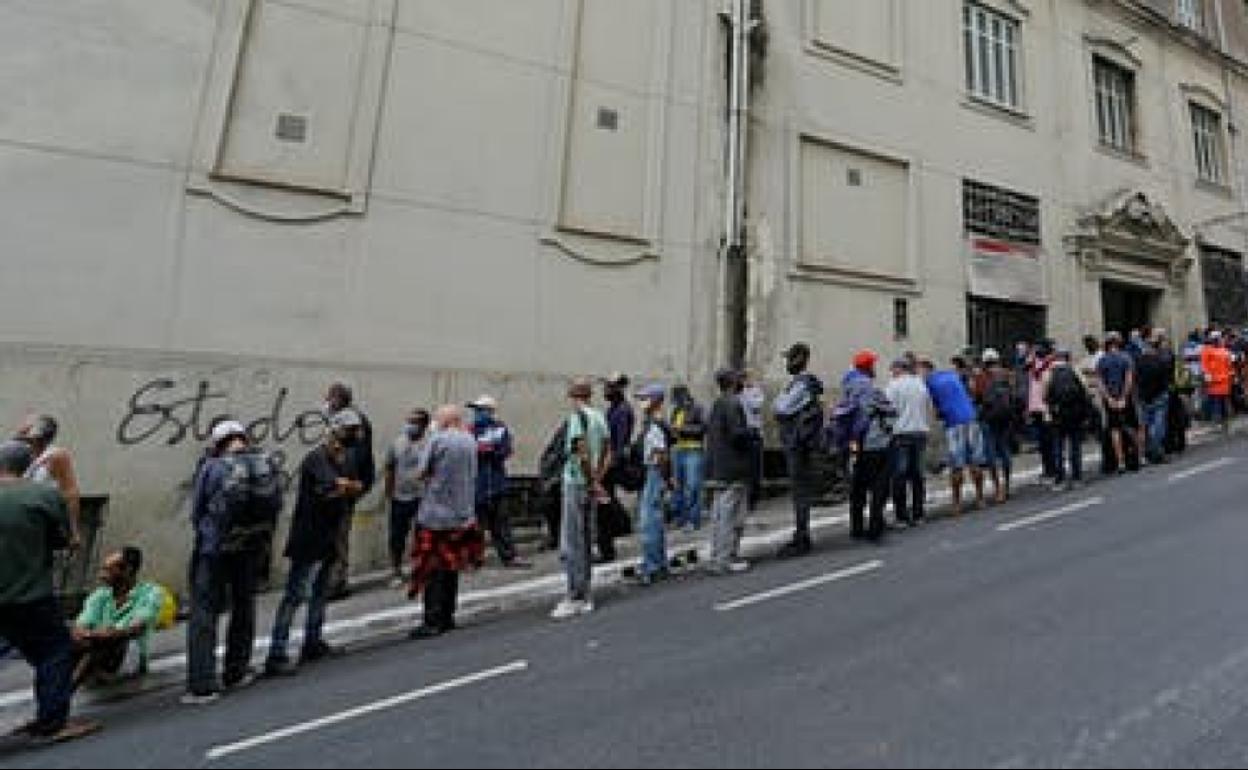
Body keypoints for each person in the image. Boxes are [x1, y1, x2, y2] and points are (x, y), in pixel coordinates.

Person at [0, 440, 97, 741]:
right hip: (30, 593)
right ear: (29, 467)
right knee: (54, 651)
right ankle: (52, 722)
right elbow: (64, 540)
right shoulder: (43, 495)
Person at [185, 420, 283, 703]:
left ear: (218, 443)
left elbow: (197, 511)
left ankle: (203, 683)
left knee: (204, 612)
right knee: (244, 605)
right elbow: (276, 505)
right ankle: (236, 671)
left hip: (215, 549)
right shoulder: (265, 463)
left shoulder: (213, 467)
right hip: (250, 546)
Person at [264, 411, 363, 677]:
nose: (356, 435)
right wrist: (344, 486)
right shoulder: (317, 458)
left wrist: (346, 486)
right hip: (309, 536)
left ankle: (313, 641)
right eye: (351, 430)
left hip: (329, 534)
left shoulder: (347, 459)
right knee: (295, 595)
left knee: (321, 592)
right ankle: (277, 652)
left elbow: (355, 485)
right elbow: (338, 484)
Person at [407, 406, 485, 639]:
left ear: (445, 421)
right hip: (462, 514)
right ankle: (448, 615)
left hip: (435, 514)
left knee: (432, 567)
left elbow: (421, 472)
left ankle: (432, 619)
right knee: (452, 567)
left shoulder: (438, 440)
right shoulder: (470, 440)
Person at [551, 378, 611, 620]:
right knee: (586, 539)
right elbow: (608, 450)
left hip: (577, 483)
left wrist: (590, 481)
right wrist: (598, 478)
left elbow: (580, 452)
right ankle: (584, 591)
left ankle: (576, 596)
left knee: (573, 541)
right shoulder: (599, 417)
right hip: (590, 482)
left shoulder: (577, 419)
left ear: (573, 397)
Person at [73, 547, 163, 689]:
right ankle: (82, 675)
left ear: (128, 571)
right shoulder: (100, 595)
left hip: (128, 653)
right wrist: (95, 634)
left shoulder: (150, 592)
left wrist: (100, 634)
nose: (101, 576)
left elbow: (133, 630)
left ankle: (68, 689)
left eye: (108, 570)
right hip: (96, 645)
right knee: (70, 641)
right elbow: (80, 627)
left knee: (111, 640)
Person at [323, 383, 375, 601]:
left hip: (345, 487)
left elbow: (356, 457)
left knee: (339, 535)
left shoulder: (353, 422)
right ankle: (332, 580)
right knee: (333, 535)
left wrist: (347, 483)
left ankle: (337, 583)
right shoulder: (340, 418)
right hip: (340, 486)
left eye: (330, 398)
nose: (327, 402)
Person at [773, 342, 824, 557]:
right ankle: (801, 533)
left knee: (800, 490)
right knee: (799, 490)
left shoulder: (802, 385)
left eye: (789, 359)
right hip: (799, 442)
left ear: (799, 359)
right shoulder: (799, 384)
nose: (787, 363)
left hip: (798, 444)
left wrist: (780, 401)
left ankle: (802, 537)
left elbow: (781, 407)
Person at [919, 357, 987, 515]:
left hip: (954, 423)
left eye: (919, 371)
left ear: (926, 370)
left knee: (957, 465)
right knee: (975, 462)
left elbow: (936, 411)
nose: (918, 375)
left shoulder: (929, 383)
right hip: (971, 418)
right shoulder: (951, 375)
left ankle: (956, 504)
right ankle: (980, 498)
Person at [704, 369, 754, 574]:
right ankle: (726, 558)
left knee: (718, 514)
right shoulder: (733, 404)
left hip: (718, 466)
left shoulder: (717, 404)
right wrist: (751, 434)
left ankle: (717, 556)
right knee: (732, 516)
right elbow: (737, 435)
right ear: (733, 382)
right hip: (734, 468)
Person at [843, 351, 895, 542]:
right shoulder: (871, 389)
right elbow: (890, 410)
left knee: (858, 487)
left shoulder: (847, 387)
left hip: (856, 443)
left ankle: (856, 527)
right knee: (879, 486)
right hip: (877, 442)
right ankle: (875, 526)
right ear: (868, 367)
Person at [469, 396, 524, 568]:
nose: (476, 413)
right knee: (476, 525)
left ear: (489, 411)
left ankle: (509, 556)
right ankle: (474, 558)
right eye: (476, 410)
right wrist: (483, 450)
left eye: (480, 410)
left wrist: (490, 450)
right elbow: (468, 451)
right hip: (477, 484)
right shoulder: (469, 430)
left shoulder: (500, 429)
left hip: (497, 483)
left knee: (501, 523)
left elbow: (505, 450)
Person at [14, 414, 82, 551]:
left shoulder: (56, 456)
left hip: (39, 522)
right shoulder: (15, 454)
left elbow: (70, 493)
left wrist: (73, 531)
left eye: (28, 438)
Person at [383, 409, 430, 586]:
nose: (410, 425)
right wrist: (389, 492)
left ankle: (420, 568)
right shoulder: (397, 443)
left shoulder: (429, 443)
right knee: (396, 536)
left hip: (422, 497)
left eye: (415, 422)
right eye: (408, 421)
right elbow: (389, 467)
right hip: (400, 498)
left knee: (422, 536)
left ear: (424, 425)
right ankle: (396, 571)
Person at [886, 357, 932, 523]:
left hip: (901, 433)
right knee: (917, 475)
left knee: (899, 475)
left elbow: (887, 410)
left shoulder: (894, 385)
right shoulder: (920, 384)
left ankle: (902, 517)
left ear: (899, 368)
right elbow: (928, 407)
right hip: (920, 432)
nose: (891, 373)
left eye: (893, 370)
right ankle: (919, 513)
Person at [632, 384, 671, 585]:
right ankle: (659, 563)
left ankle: (653, 566)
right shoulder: (650, 423)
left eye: (644, 399)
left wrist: (665, 478)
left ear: (655, 400)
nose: (641, 403)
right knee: (654, 520)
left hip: (653, 473)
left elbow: (661, 455)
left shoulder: (655, 425)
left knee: (649, 522)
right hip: (652, 472)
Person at [600, 373, 636, 562]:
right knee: (606, 502)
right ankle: (614, 534)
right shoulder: (613, 410)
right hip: (608, 461)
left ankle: (608, 548)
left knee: (605, 504)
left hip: (611, 464)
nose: (606, 390)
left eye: (610, 387)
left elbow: (619, 443)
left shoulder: (622, 411)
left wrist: (608, 464)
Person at [973, 348, 1015, 503]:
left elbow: (976, 396)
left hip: (988, 419)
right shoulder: (1007, 374)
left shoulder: (981, 377)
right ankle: (1007, 485)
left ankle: (998, 488)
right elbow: (1013, 396)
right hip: (1005, 418)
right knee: (1004, 451)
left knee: (991, 454)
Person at [1097, 332, 1143, 474]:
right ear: (1118, 342)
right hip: (1126, 399)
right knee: (1134, 426)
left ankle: (1120, 461)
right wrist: (1123, 397)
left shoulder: (1102, 360)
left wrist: (1109, 398)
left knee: (1114, 430)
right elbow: (1129, 380)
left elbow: (1100, 383)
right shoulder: (1126, 358)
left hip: (1110, 399)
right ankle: (1138, 457)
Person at [1044, 351, 1090, 490]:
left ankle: (1060, 480)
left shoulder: (1049, 373)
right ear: (1067, 359)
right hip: (1075, 414)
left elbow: (1045, 395)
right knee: (1075, 446)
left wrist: (1050, 410)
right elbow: (1085, 390)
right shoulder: (1075, 370)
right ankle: (1077, 478)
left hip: (1058, 414)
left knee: (1058, 447)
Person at [669, 384, 707, 532]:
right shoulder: (676, 410)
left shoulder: (698, 408)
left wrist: (682, 430)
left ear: (684, 396)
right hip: (678, 450)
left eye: (676, 399)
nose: (675, 402)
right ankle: (680, 519)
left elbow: (703, 427)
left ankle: (693, 520)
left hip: (693, 450)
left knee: (692, 486)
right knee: (678, 487)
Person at [1136, 329, 1174, 464]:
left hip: (1144, 397)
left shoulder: (1138, 360)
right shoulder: (1160, 360)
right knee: (1158, 426)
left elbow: (1136, 379)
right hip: (1159, 396)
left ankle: (1146, 453)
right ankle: (1156, 451)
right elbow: (1165, 380)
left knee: (1145, 425)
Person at [739, 371, 767, 510]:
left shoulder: (756, 392)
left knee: (755, 469)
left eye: (747, 378)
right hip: (743, 433)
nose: (745, 381)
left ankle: (753, 499)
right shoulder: (738, 394)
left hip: (755, 434)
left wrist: (745, 392)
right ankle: (744, 499)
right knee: (743, 468)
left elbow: (756, 406)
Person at [1201, 330, 1234, 434]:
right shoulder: (1211, 350)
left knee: (1220, 404)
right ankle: (1221, 424)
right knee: (1219, 404)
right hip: (1218, 382)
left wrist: (1231, 374)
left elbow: (1229, 365)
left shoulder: (1222, 350)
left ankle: (1222, 424)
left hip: (1220, 382)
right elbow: (1205, 365)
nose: (1218, 340)